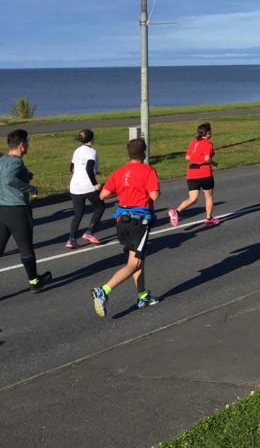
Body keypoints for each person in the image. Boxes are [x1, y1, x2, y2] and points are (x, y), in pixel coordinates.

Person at [91, 137, 160, 315]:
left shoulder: (119, 172)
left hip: (122, 221)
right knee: (134, 263)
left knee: (137, 260)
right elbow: (154, 195)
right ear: (144, 153)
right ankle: (103, 290)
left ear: (129, 154)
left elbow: (104, 195)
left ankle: (142, 295)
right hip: (139, 222)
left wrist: (124, 191)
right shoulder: (148, 170)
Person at [1, 130, 52, 293]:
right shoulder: (16, 162)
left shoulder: (2, 159)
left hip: (2, 210)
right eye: (27, 143)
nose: (28, 145)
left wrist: (26, 175)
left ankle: (35, 279)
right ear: (22, 145)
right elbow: (9, 179)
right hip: (17, 211)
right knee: (25, 248)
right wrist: (30, 187)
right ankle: (34, 282)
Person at [169, 122, 218, 227]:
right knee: (208, 196)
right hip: (204, 173)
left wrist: (196, 159)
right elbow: (207, 158)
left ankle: (176, 212)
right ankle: (209, 218)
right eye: (211, 131)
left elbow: (187, 157)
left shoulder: (193, 142)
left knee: (193, 198)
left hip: (191, 173)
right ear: (207, 133)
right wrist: (214, 163)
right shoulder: (208, 143)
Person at [67, 128, 105, 248]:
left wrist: (94, 172)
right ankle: (89, 232)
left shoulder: (77, 151)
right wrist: (95, 183)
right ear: (92, 139)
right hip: (88, 186)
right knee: (100, 207)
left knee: (78, 213)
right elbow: (88, 168)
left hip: (74, 186)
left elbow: (72, 168)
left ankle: (71, 239)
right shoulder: (91, 152)